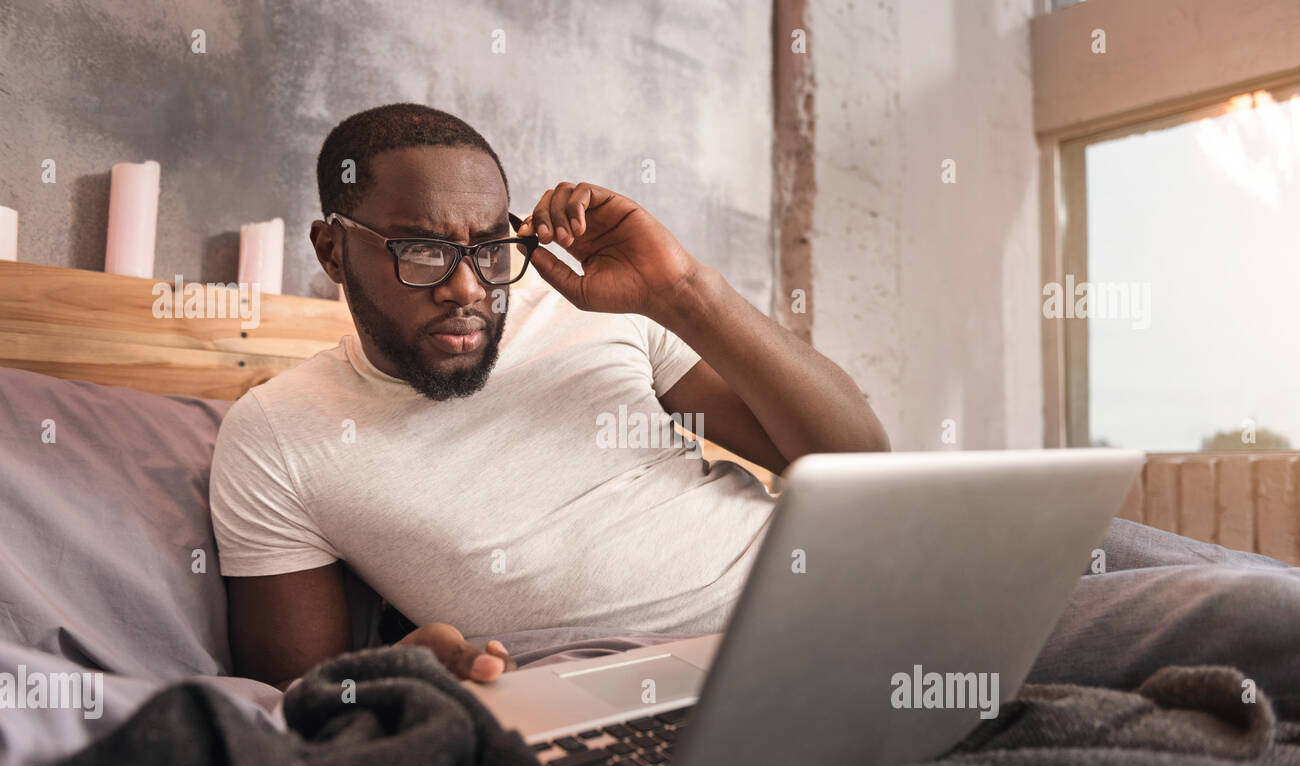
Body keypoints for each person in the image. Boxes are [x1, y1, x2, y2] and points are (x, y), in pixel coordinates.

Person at [210, 103, 1298, 718]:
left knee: (1257, 585)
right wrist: (411, 671)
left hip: (888, 558)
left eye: (489, 247)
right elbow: (294, 693)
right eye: (419, 251)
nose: (463, 286)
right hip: (737, 663)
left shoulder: (590, 313)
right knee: (1259, 623)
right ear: (330, 248)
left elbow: (858, 460)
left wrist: (686, 291)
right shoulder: (279, 434)